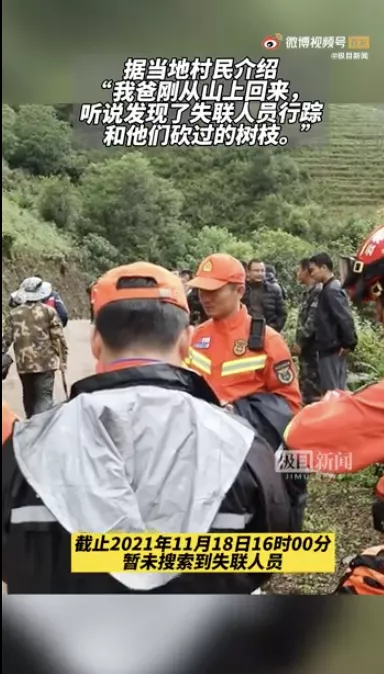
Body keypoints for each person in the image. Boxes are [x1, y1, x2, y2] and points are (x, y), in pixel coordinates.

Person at [2, 262, 301, 595]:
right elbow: (275, 549)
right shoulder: (248, 450)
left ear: (96, 341)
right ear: (187, 341)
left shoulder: (24, 451)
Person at [285, 224, 384, 595]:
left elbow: (305, 436)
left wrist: (338, 404)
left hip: (327, 360)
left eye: (379, 298)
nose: (378, 314)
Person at [186, 254, 301, 433]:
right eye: (201, 291)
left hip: (247, 444)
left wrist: (241, 413)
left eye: (214, 291)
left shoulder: (267, 340)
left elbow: (289, 404)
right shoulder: (195, 337)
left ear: (239, 291)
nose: (205, 298)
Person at [2, 280, 68, 418]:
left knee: (29, 397)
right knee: (44, 398)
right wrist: (63, 361)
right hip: (46, 364)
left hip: (24, 365)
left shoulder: (14, 313)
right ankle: (42, 429)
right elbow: (58, 339)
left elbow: (5, 340)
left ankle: (31, 425)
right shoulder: (49, 311)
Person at [308, 253, 357, 393]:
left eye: (313, 270)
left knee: (333, 392)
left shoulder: (332, 290)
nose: (311, 274)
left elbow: (344, 317)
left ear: (323, 267)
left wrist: (349, 343)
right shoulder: (327, 288)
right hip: (328, 347)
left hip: (332, 349)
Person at [291, 258, 322, 405]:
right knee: (305, 385)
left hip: (313, 349)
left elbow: (312, 321)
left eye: (299, 270)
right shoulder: (307, 292)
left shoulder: (317, 291)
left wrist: (300, 342)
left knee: (313, 389)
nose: (297, 273)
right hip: (306, 350)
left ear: (306, 271)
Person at [243, 259, 287, 332]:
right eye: (256, 271)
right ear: (248, 272)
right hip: (245, 330)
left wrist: (275, 329)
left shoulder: (274, 289)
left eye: (262, 271)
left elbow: (282, 314)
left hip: (268, 331)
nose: (260, 273)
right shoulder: (241, 289)